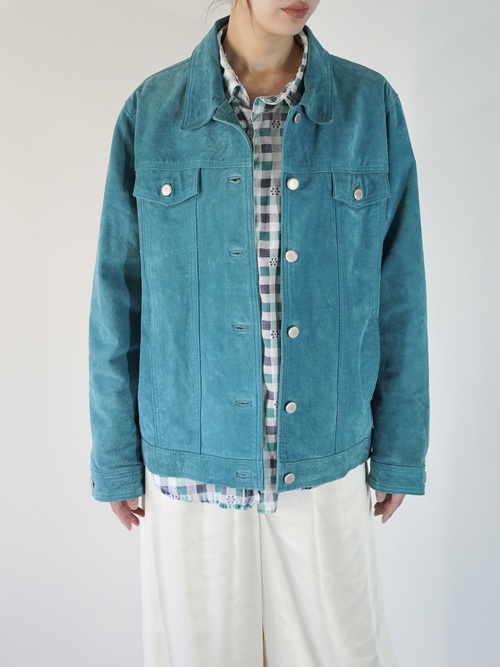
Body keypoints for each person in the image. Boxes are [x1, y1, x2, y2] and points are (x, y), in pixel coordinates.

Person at [88, 1, 429, 665]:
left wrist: (400, 448)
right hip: (193, 464)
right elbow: (116, 297)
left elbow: (399, 292)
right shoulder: (152, 112)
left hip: (323, 459)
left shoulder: (370, 107)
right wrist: (115, 457)